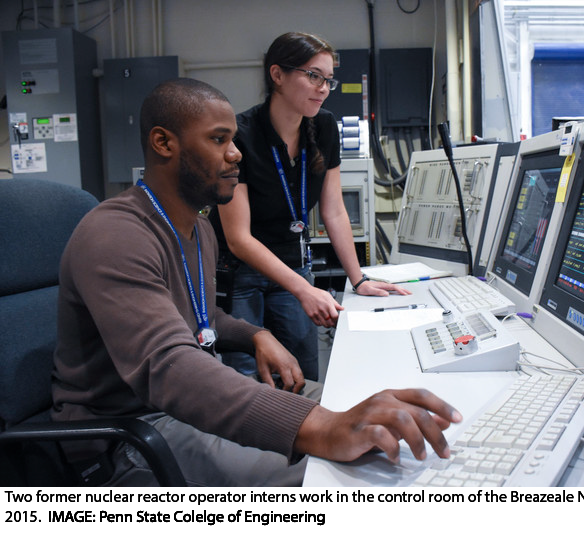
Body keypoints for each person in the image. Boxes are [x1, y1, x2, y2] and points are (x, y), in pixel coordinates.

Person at [51, 77, 461, 487]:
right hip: (130, 431)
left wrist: (255, 335)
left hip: (185, 404)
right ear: (163, 143)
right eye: (219, 140)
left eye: (234, 139)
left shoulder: (199, 228)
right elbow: (167, 367)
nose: (236, 154)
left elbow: (201, 317)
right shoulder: (116, 234)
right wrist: (320, 428)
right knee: (348, 472)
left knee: (373, 418)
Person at [213, 32, 409, 380]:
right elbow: (238, 238)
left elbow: (334, 211)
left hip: (293, 264)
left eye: (329, 80)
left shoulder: (324, 127)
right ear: (277, 75)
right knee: (246, 385)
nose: (323, 87)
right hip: (243, 274)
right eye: (313, 75)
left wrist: (359, 278)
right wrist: (305, 289)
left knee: (302, 377)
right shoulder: (242, 134)